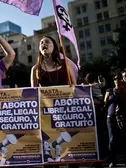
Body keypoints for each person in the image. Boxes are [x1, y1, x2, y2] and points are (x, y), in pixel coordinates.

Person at [30, 36, 78, 168]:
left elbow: (76, 88)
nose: (43, 44)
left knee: (72, 155)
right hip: (47, 117)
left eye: (47, 42)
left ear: (54, 46)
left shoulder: (66, 65)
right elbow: (34, 95)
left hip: (67, 114)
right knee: (51, 158)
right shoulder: (35, 69)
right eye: (41, 43)